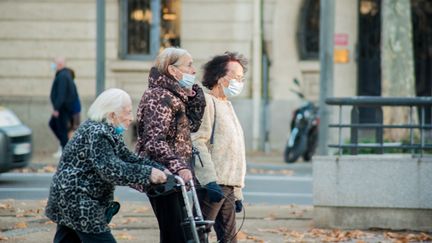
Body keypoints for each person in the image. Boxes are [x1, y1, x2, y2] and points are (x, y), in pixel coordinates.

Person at [45, 88, 168, 243]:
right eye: (128, 112)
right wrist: (148, 173)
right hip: (80, 201)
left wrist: (159, 168)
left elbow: (128, 158)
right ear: (112, 115)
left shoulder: (104, 129)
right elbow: (112, 170)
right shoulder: (99, 133)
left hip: (69, 197)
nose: (131, 118)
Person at [135, 47, 206, 243]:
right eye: (189, 65)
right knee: (175, 235)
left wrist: (194, 97)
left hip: (175, 177)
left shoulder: (175, 94)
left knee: (182, 233)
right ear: (173, 70)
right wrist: (179, 166)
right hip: (163, 175)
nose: (194, 70)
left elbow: (190, 126)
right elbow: (153, 141)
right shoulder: (159, 96)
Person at [191, 52, 248, 243]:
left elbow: (235, 152)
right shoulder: (207, 102)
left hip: (229, 185)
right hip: (213, 184)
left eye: (242, 78)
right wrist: (209, 181)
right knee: (199, 233)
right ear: (219, 77)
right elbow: (198, 141)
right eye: (236, 77)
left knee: (229, 238)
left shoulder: (227, 105)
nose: (239, 82)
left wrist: (238, 192)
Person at [49, 57, 81, 158]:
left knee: (61, 129)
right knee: (60, 128)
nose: (54, 66)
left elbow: (61, 94)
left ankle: (67, 150)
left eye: (56, 64)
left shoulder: (63, 76)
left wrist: (56, 108)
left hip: (63, 109)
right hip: (65, 108)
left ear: (60, 64)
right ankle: (67, 150)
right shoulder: (65, 75)